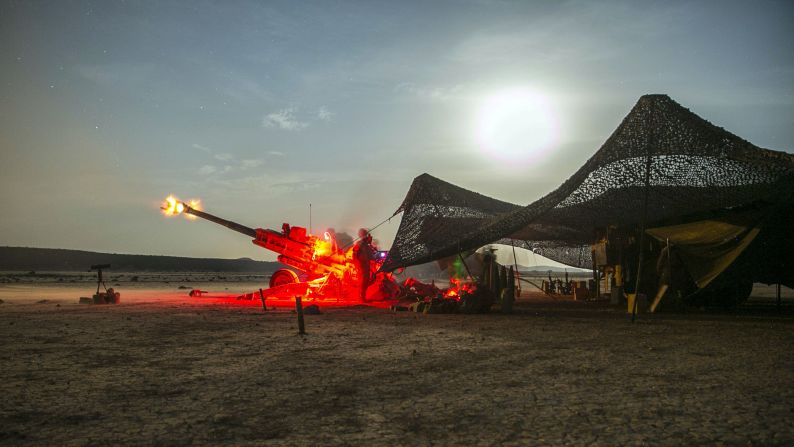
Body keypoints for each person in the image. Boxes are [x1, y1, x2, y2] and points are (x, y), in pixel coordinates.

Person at [353, 228, 375, 301]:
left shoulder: (366, 245)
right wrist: (358, 265)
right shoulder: (360, 244)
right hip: (362, 265)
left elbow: (371, 255)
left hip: (365, 265)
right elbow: (355, 256)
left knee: (367, 279)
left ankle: (362, 296)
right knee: (364, 280)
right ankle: (361, 297)